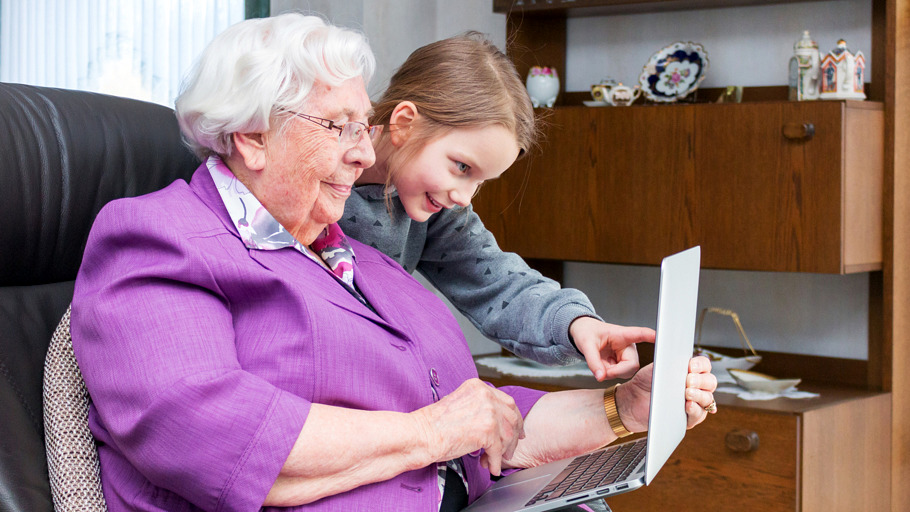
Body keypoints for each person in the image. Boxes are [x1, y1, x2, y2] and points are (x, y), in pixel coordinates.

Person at [71, 13, 717, 511]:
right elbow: (204, 430)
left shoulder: (351, 255)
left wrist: (622, 410)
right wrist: (435, 434)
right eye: (340, 126)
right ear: (252, 136)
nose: (362, 154)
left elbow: (476, 412)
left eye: (363, 126)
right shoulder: (160, 236)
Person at [343, 33, 652, 382]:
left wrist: (577, 324)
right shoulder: (314, 178)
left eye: (480, 182)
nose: (464, 196)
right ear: (404, 124)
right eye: (462, 167)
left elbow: (499, 282)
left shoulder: (438, 205)